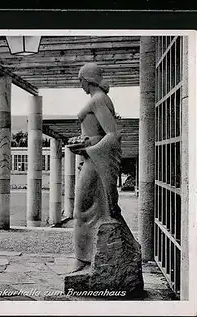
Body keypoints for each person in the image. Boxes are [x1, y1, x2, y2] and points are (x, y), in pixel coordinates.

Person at [68, 63, 134, 273]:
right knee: (89, 207)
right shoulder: (99, 99)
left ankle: (84, 259)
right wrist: (84, 144)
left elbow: (113, 135)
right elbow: (98, 133)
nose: (80, 85)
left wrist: (89, 149)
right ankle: (88, 257)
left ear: (88, 80)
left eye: (81, 81)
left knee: (82, 207)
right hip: (91, 157)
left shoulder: (98, 100)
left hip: (96, 160)